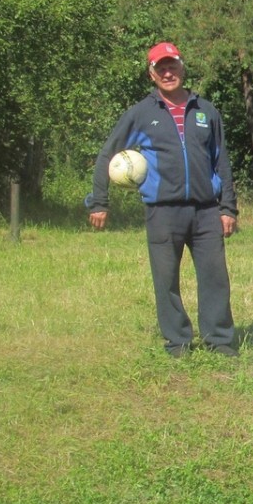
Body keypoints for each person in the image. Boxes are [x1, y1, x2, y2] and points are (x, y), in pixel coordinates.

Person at [89, 41, 239, 358]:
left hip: (205, 211)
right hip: (162, 212)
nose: (168, 72)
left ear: (182, 68)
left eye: (172, 66)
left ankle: (220, 340)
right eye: (161, 68)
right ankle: (178, 341)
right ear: (152, 74)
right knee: (166, 280)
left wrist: (227, 207)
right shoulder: (141, 114)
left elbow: (221, 161)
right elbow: (107, 154)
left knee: (215, 277)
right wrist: (99, 201)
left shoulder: (206, 111)